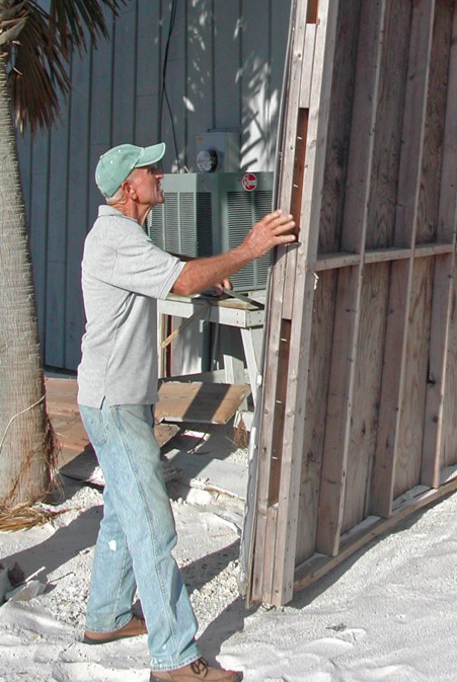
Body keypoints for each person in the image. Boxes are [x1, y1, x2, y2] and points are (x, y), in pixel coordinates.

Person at [77, 142, 296, 682]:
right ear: (129, 189)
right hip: (115, 401)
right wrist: (249, 248)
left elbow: (171, 270)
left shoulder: (125, 235)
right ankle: (175, 660)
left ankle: (105, 615)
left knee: (122, 512)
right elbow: (178, 281)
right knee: (152, 524)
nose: (161, 176)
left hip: (115, 397)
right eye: (150, 171)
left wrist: (203, 271)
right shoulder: (115, 237)